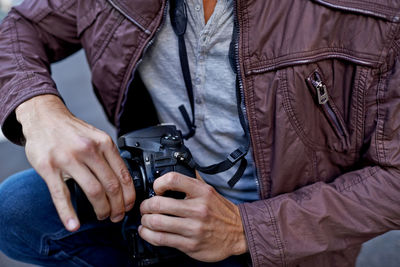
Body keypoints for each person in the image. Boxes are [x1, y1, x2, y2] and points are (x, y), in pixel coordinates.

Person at [0, 0, 399, 266]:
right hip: (155, 196)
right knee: (16, 208)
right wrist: (39, 109)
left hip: (282, 235)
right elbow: (23, 25)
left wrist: (247, 229)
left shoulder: (375, 12)